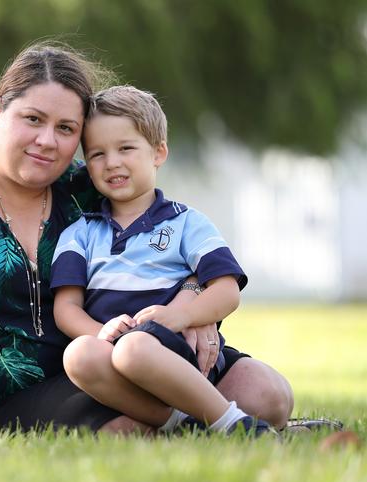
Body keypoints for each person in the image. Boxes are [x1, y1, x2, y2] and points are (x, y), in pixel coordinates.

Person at [0, 42, 294, 439]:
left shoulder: (87, 186)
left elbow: (173, 253)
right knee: (124, 429)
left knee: (264, 393)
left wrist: (195, 307)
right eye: (32, 119)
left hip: (130, 358)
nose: (47, 140)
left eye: (66, 128)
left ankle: (218, 420)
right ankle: (214, 425)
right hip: (16, 395)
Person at [51, 86, 279, 435]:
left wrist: (180, 315)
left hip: (181, 354)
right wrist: (99, 332)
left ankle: (231, 422)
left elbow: (227, 290)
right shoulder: (79, 233)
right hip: (117, 363)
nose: (112, 162)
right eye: (97, 154)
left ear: (158, 153)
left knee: (267, 394)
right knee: (80, 355)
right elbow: (66, 308)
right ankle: (194, 424)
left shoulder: (186, 222)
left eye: (126, 148)